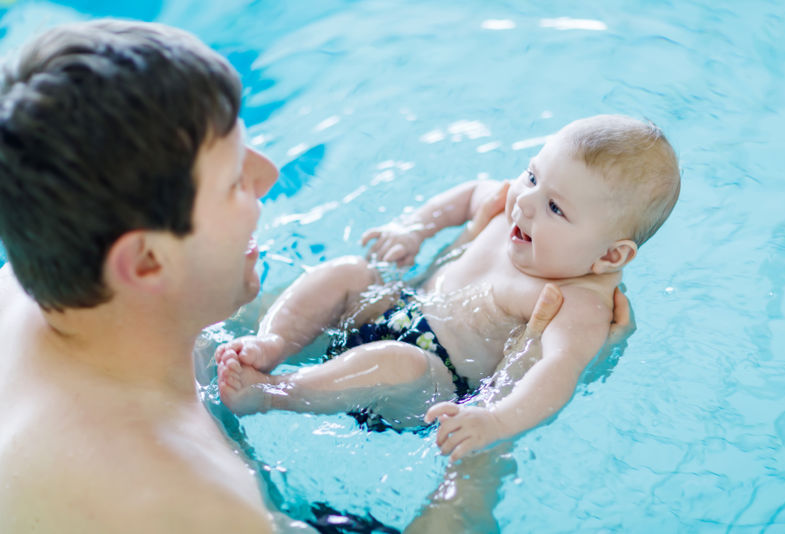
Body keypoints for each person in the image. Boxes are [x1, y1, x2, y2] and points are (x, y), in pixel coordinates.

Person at [0, 17, 581, 534]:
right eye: (234, 179)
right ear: (147, 261)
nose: (270, 175)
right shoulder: (193, 504)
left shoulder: (54, 282)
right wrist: (499, 415)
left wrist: (441, 289)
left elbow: (256, 327)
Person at [215, 113, 677, 460]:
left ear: (611, 256)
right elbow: (467, 196)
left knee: (397, 361)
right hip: (395, 306)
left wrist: (496, 420)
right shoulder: (512, 207)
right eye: (532, 175)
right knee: (347, 272)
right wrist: (413, 229)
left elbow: (557, 370)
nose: (526, 203)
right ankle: (272, 343)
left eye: (556, 208)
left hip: (431, 383)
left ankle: (275, 392)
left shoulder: (576, 300)